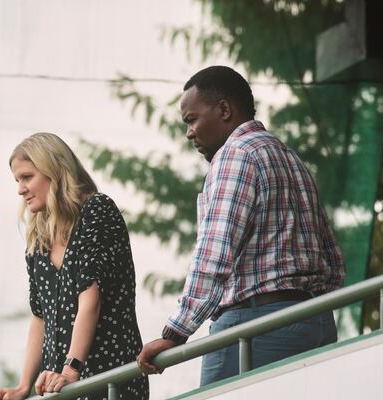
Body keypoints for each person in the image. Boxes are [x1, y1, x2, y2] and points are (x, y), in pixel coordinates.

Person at [136, 66, 346, 386]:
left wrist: (175, 334)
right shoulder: (291, 159)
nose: (189, 132)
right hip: (314, 322)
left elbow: (214, 255)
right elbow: (333, 262)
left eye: (192, 119)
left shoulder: (236, 155)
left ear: (224, 109)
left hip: (254, 328)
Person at [0, 133, 149, 400]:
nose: (20, 189)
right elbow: (40, 317)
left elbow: (91, 299)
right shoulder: (39, 238)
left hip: (108, 379)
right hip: (60, 387)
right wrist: (23, 386)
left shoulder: (97, 210)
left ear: (55, 171)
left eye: (27, 177)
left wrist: (71, 369)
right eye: (17, 180)